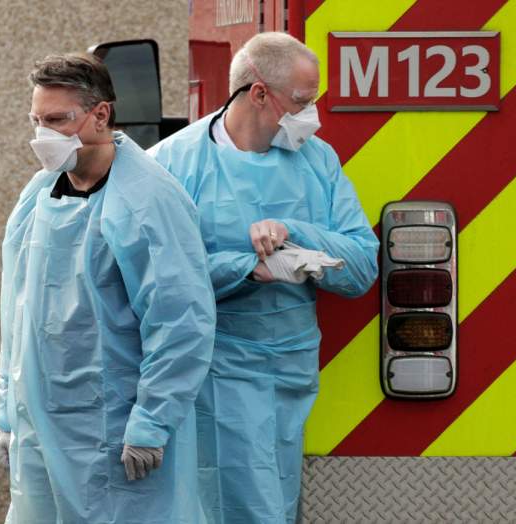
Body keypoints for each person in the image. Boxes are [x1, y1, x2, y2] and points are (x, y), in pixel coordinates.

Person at [150, 32, 379, 523]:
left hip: (291, 369)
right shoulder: (173, 166)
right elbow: (155, 282)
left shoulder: (317, 160)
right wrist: (249, 268)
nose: (310, 116)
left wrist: (294, 233)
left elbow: (362, 267)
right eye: (300, 102)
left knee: (274, 502)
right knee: (231, 505)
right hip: (216, 370)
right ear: (258, 93)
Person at [0, 52, 216, 524]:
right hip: (42, 427)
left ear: (100, 115)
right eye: (37, 120)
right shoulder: (39, 195)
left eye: (58, 120)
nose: (44, 136)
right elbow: (17, 312)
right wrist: (7, 414)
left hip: (115, 434)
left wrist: (152, 421)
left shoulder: (147, 202)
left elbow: (180, 321)